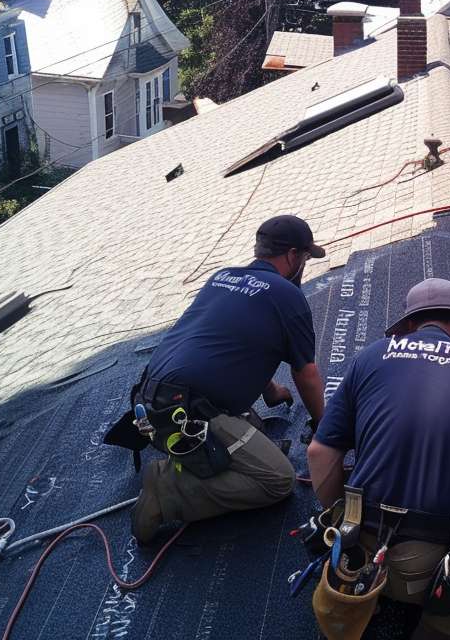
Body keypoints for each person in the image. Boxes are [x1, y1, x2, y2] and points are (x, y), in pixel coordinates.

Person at [307, 278, 450, 640]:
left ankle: (360, 593)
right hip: (431, 566)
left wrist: (341, 519)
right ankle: (447, 624)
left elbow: (319, 453)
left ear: (409, 326)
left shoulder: (370, 356)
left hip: (357, 556)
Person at [130, 214, 328, 543]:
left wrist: (271, 390)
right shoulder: (287, 295)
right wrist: (325, 424)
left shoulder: (223, 277)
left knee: (253, 428)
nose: (304, 264)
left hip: (148, 405)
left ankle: (192, 459)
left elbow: (230, 340)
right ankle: (167, 490)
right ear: (293, 256)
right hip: (184, 414)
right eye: (305, 257)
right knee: (277, 480)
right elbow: (306, 373)